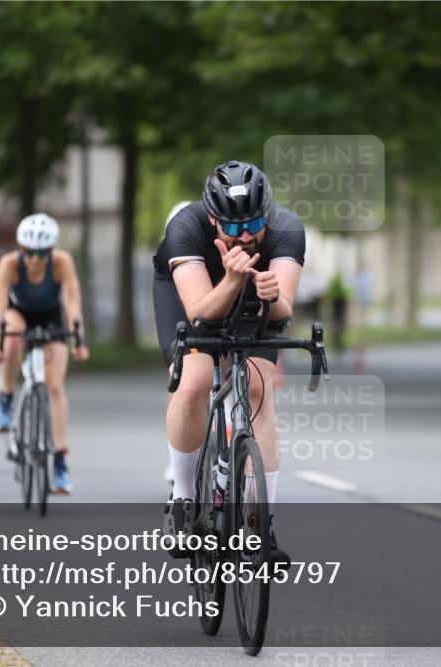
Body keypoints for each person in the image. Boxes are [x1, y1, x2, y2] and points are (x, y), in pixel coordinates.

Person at [152, 161, 304, 561]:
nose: (246, 237)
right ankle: (183, 500)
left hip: (254, 300)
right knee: (195, 379)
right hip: (192, 296)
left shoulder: (286, 228)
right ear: (213, 220)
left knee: (257, 388)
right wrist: (234, 279)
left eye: (254, 224)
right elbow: (200, 314)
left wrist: (272, 297)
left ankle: (261, 528)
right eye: (233, 229)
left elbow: (283, 312)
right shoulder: (186, 227)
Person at [0, 213, 90, 494]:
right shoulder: (9, 264)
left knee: (55, 387)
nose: (35, 259)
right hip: (18, 314)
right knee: (12, 336)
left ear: (51, 251)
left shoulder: (61, 263)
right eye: (29, 252)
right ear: (21, 250)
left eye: (42, 253)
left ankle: (59, 461)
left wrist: (78, 339)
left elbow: (72, 302)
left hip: (50, 318)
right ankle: (7, 397)